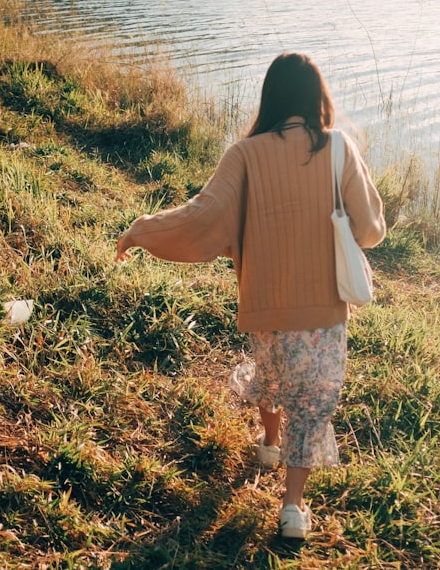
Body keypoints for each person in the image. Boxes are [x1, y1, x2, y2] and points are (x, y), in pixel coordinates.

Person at [115, 52, 386, 539]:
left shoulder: (243, 154)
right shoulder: (340, 148)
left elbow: (202, 217)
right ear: (317, 97)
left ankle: (268, 441)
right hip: (323, 308)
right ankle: (292, 508)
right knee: (312, 401)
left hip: (262, 302)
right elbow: (368, 231)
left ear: (271, 98)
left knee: (272, 374)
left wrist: (143, 229)